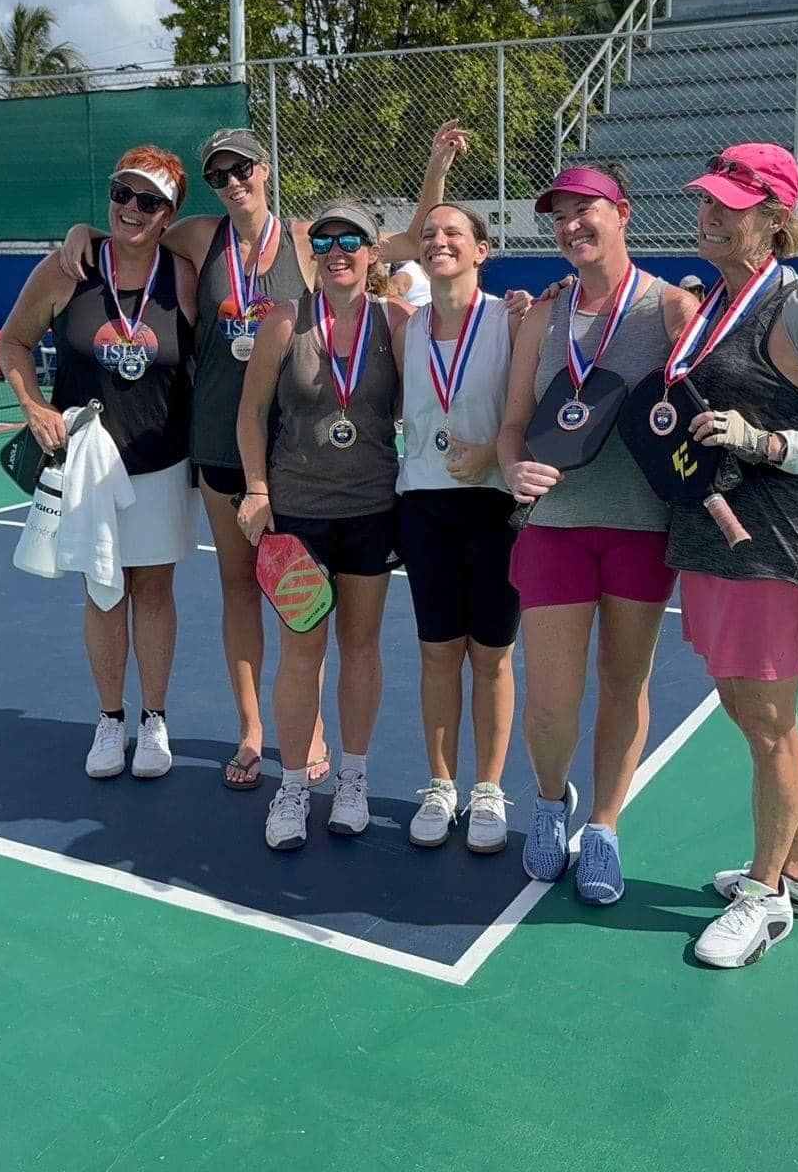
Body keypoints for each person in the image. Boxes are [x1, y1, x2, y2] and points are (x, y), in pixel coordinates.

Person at [59, 121, 465, 793]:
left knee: (305, 601)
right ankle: (253, 730)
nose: (232, 183)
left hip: (300, 459)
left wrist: (436, 166)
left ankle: (309, 736)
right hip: (222, 450)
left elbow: (408, 236)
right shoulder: (197, 237)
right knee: (240, 587)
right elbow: (132, 235)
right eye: (218, 176)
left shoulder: (312, 240)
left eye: (242, 169)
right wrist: (83, 235)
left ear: (265, 169)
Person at [664, 144, 798, 969]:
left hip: (772, 542)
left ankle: (767, 898)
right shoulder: (713, 303)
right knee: (750, 716)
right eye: (706, 201)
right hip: (710, 536)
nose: (709, 214)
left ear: (774, 219)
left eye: (729, 206)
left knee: (771, 727)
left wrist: (770, 440)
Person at [497, 161, 696, 903]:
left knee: (624, 683)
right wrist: (514, 470)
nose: (572, 225)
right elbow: (514, 425)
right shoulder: (543, 318)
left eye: (588, 210)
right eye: (560, 215)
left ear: (625, 213)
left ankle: (606, 825)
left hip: (643, 527)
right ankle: (552, 804)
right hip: (555, 526)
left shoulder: (672, 309)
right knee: (550, 697)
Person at [0, 146, 199, 779]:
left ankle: (155, 719)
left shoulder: (186, 273)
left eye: (148, 201)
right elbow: (14, 341)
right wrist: (33, 406)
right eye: (122, 194)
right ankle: (111, 721)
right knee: (104, 591)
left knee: (155, 589)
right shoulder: (68, 269)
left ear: (169, 215)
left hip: (163, 462)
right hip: (87, 464)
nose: (130, 210)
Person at [236, 201, 412, 850]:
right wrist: (256, 489)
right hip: (300, 517)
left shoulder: (395, 321)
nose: (338, 249)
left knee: (361, 646)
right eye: (325, 239)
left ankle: (353, 779)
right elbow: (251, 415)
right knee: (302, 652)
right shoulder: (284, 322)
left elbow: (458, 331)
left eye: (353, 239)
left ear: (373, 253)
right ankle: (291, 785)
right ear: (312, 252)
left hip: (372, 510)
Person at [392, 204, 523, 855]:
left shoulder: (516, 318)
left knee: (492, 657)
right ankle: (442, 785)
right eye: (430, 233)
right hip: (425, 508)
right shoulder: (403, 325)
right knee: (438, 652)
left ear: (481, 250)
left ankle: (489, 789)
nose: (439, 240)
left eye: (454, 233)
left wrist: (496, 453)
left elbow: (537, 413)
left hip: (496, 509)